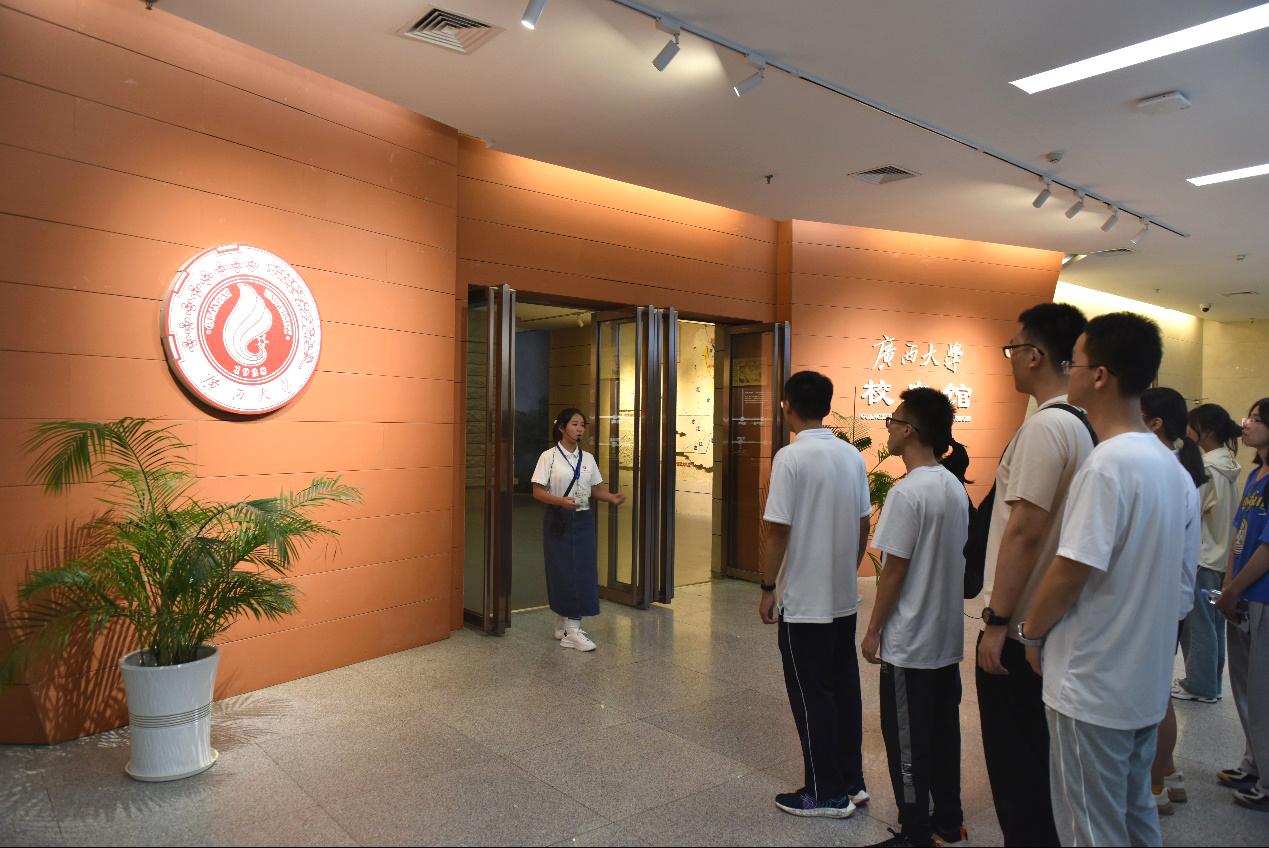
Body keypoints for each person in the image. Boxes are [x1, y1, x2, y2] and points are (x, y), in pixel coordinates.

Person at [1018, 312, 1199, 847]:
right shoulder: (1171, 468)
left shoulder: (1107, 465)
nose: (1067, 371)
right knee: (1136, 814)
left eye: (1073, 362)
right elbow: (1183, 588)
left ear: (1099, 375)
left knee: (1091, 829)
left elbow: (1071, 568)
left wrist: (1031, 632)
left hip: (1092, 685)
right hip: (1144, 682)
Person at [975, 302, 1094, 847]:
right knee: (1039, 765)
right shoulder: (1085, 426)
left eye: (1013, 348)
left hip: (1022, 629)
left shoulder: (1046, 428)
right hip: (1053, 624)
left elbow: (1024, 531)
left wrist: (997, 621)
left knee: (1017, 767)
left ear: (1035, 355)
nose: (1010, 359)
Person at [759, 370, 872, 819]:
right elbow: (863, 523)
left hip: (804, 602)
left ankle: (825, 793)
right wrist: (845, 571)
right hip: (842, 599)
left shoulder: (790, 458)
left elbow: (777, 530)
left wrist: (767, 587)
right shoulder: (851, 456)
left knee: (811, 695)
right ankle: (851, 781)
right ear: (826, 406)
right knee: (844, 689)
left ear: (787, 406)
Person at [861, 388, 971, 848]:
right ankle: (948, 821)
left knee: (907, 741)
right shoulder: (953, 486)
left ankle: (915, 832)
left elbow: (894, 571)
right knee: (944, 733)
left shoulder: (908, 493)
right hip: (945, 638)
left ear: (909, 430)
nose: (887, 429)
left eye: (892, 421)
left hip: (911, 642)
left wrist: (873, 631)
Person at [1139, 386, 1205, 815]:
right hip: (1168, 601)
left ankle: (1156, 783)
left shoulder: (1165, 472)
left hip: (1160, 605)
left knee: (1153, 698)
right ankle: (1169, 773)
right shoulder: (1176, 470)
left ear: (1155, 423)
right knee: (1157, 694)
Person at [530, 407, 625, 652]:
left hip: (582, 519)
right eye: (574, 424)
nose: (579, 429)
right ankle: (572, 632)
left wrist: (610, 497)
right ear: (562, 427)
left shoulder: (588, 458)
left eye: (582, 424)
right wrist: (561, 502)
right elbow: (537, 491)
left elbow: (593, 490)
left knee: (581, 571)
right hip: (558, 518)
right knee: (563, 571)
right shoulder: (549, 457)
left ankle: (565, 625)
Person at [1215, 397, 1269, 811]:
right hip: (1242, 593)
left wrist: (1236, 589)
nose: (1245, 424)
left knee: (1263, 690)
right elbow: (1239, 533)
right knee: (1246, 686)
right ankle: (1254, 762)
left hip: (1262, 595)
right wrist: (1229, 585)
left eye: (1254, 418)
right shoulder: (1254, 475)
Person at [1177, 403, 1243, 703]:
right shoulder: (1228, 466)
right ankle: (1211, 683)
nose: (1187, 430)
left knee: (1199, 626)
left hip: (1202, 555)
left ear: (1206, 430)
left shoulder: (1206, 469)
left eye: (1192, 424)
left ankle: (1199, 685)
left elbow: (1190, 511)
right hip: (1221, 554)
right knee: (1214, 625)